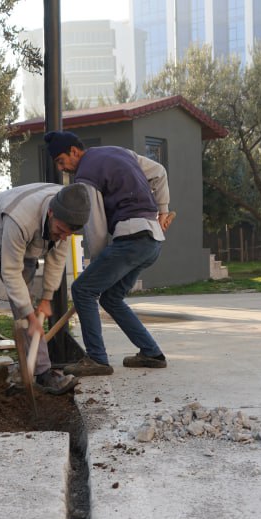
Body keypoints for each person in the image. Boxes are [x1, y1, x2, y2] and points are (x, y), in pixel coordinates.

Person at [43, 131, 174, 376]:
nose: (63, 168)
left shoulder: (84, 176)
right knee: (111, 298)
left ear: (74, 151)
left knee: (82, 290)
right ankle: (151, 353)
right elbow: (159, 172)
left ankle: (97, 359)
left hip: (131, 239)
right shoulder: (120, 152)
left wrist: (98, 264)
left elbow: (97, 227)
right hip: (152, 240)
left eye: (62, 161)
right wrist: (163, 210)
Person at [0, 183, 89, 408]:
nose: (62, 237)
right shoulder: (21, 218)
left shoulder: (68, 210)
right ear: (50, 212)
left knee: (24, 306)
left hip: (25, 243)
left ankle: (42, 373)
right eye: (59, 230)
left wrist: (46, 299)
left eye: (68, 234)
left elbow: (56, 261)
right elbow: (10, 272)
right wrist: (30, 314)